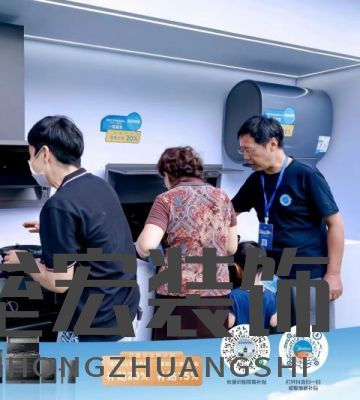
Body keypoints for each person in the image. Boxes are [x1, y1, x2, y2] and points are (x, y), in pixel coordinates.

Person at [3, 116, 140, 342]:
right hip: (124, 315)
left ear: (44, 153)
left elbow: (59, 282)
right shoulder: (99, 185)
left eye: (30, 154)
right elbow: (98, 231)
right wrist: (54, 229)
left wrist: (24, 261)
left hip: (92, 328)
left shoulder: (59, 205)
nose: (30, 162)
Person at [231, 116, 344, 326]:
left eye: (250, 150)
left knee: (313, 338)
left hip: (308, 275)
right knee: (280, 336)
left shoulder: (306, 175)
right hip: (271, 276)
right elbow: (229, 212)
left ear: (272, 144)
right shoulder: (256, 180)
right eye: (242, 151)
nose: (246, 157)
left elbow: (335, 223)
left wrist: (334, 274)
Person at [135, 146, 238, 340]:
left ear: (168, 174)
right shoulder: (223, 197)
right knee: (208, 356)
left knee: (174, 356)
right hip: (216, 296)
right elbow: (231, 247)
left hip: (177, 297)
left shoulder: (166, 199)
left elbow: (146, 245)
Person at [228, 241, 277, 329]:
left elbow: (228, 323)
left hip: (240, 338)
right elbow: (274, 322)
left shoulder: (233, 296)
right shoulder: (271, 296)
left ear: (237, 268)